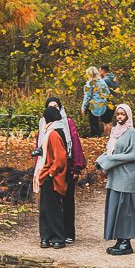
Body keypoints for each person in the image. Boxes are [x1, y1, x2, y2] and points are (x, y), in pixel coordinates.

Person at [33, 94, 87, 244]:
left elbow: (71, 148)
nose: (53, 109)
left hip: (62, 170)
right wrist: (39, 171)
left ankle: (63, 235)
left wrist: (75, 168)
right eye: (50, 107)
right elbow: (41, 150)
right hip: (48, 170)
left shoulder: (64, 126)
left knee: (64, 203)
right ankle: (48, 236)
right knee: (48, 206)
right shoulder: (45, 127)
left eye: (55, 106)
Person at [95, 103, 135, 255]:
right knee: (115, 207)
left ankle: (126, 242)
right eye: (118, 113)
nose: (120, 116)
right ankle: (119, 240)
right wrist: (102, 160)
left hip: (125, 175)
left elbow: (134, 155)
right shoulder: (115, 131)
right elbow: (110, 151)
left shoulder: (131, 132)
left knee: (124, 209)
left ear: (128, 115)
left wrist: (112, 159)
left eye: (123, 114)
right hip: (114, 175)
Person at [37, 102, 69, 250]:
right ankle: (46, 236)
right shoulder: (53, 131)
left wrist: (50, 173)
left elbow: (61, 158)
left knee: (53, 209)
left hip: (52, 177)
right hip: (47, 175)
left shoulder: (54, 134)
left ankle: (58, 237)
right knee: (45, 208)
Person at [81, 66, 110, 137]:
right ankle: (103, 137)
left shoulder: (89, 83)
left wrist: (83, 108)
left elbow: (87, 97)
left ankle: (95, 137)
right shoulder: (102, 81)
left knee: (94, 123)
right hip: (103, 104)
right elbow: (107, 92)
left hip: (93, 105)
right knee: (103, 122)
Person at [99, 64, 120, 129]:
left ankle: (106, 138)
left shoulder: (104, 80)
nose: (99, 73)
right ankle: (110, 136)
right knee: (109, 122)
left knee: (105, 123)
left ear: (103, 70)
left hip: (106, 103)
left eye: (100, 71)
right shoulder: (114, 79)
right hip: (113, 102)